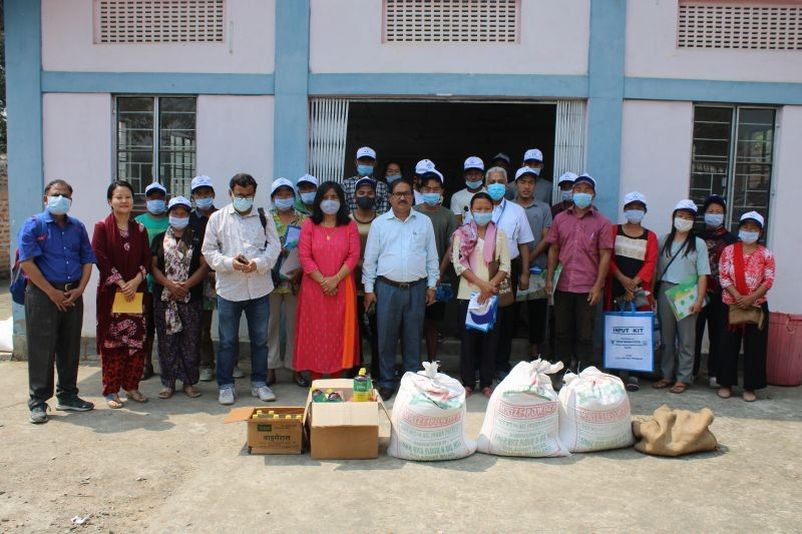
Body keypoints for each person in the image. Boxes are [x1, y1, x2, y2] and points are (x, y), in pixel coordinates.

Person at [18, 179, 96, 423]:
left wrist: (80, 289)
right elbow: (27, 263)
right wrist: (52, 292)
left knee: (70, 347)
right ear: (45, 198)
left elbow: (87, 259)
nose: (60, 198)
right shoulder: (34, 225)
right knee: (42, 348)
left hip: (72, 294)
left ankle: (68, 395)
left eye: (65, 195)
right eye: (56, 194)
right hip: (42, 296)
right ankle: (38, 401)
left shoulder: (77, 227)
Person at [201, 173, 281, 405]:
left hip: (259, 289)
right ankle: (225, 385)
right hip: (229, 289)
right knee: (227, 341)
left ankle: (259, 383)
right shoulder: (217, 218)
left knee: (259, 340)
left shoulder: (264, 216)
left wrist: (258, 264)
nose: (244, 199)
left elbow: (274, 247)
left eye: (248, 195)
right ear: (230, 194)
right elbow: (208, 251)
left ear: (254, 194)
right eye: (239, 195)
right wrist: (229, 263)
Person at [363, 178, 439, 400]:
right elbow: (370, 260)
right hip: (387, 288)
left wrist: (432, 286)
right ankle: (386, 382)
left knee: (413, 337)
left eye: (406, 193)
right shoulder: (379, 224)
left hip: (416, 288)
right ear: (390, 198)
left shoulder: (424, 222)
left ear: (413, 197)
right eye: (397, 194)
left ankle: (411, 384)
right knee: (386, 338)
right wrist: (369, 289)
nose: (403, 197)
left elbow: (432, 257)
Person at [92, 180, 152, 408]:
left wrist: (136, 281)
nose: (124, 201)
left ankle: (132, 386)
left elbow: (147, 258)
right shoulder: (101, 227)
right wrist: (120, 282)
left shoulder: (140, 229)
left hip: (136, 295)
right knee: (112, 345)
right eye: (118, 197)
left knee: (136, 344)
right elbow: (99, 256)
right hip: (112, 296)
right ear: (110, 201)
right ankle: (111, 390)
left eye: (127, 197)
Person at [545, 173, 613, 374]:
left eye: (587, 190)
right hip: (562, 284)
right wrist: (549, 278)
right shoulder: (560, 218)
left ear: (593, 194)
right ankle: (561, 371)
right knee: (561, 331)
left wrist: (598, 285)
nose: (582, 193)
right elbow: (554, 249)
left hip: (587, 286)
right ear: (572, 192)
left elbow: (605, 255)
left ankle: (585, 374)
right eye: (578, 189)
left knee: (585, 334)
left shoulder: (602, 222)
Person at [294, 182, 361, 379]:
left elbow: (353, 255)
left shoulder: (349, 225)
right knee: (314, 332)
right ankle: (315, 380)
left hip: (343, 287)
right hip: (314, 289)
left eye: (334, 197)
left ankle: (337, 379)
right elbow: (304, 256)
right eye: (325, 197)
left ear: (341, 201)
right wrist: (324, 281)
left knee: (338, 332)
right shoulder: (309, 225)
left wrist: (335, 280)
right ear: (318, 201)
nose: (329, 202)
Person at [452, 192, 510, 397]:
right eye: (478, 209)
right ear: (471, 210)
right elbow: (458, 264)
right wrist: (481, 285)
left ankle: (486, 382)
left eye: (487, 209)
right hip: (468, 295)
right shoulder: (461, 234)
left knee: (490, 340)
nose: (483, 212)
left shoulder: (500, 234)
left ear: (492, 210)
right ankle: (467, 383)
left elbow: (505, 266)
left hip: (491, 296)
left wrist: (490, 286)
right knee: (468, 342)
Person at [150, 196, 209, 399]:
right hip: (165, 299)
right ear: (169, 215)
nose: (179, 216)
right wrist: (169, 284)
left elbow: (204, 265)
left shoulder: (196, 237)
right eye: (175, 213)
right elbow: (153, 267)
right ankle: (168, 383)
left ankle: (189, 382)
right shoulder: (159, 239)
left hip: (190, 298)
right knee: (167, 342)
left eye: (184, 213)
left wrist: (186, 285)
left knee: (191, 341)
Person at [652, 199, 710, 394]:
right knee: (667, 337)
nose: (683, 220)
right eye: (680, 215)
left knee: (686, 338)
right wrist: (652, 293)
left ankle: (683, 377)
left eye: (688, 217)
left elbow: (703, 274)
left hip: (688, 291)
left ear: (694, 221)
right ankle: (666, 375)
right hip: (666, 290)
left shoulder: (699, 244)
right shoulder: (663, 240)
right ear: (674, 217)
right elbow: (655, 270)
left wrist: (699, 299)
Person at [717, 211, 775, 402]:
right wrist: (737, 296)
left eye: (753, 228)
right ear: (739, 229)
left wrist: (750, 298)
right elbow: (723, 276)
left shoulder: (766, 254)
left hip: (756, 306)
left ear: (760, 231)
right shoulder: (729, 251)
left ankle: (751, 387)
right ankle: (726, 383)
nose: (749, 231)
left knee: (755, 347)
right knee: (727, 345)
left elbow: (768, 280)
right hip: (730, 304)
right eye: (745, 227)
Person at [604, 191, 659, 391]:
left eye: (639, 207)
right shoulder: (613, 230)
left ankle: (634, 372)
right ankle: (615, 371)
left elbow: (651, 262)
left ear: (644, 211)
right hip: (616, 286)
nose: (635, 211)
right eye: (631, 207)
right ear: (625, 210)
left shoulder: (650, 236)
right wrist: (621, 278)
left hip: (640, 290)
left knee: (637, 329)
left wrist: (634, 283)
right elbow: (607, 257)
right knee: (616, 328)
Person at [486, 166, 535, 378]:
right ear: (486, 185)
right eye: (492, 182)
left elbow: (524, 244)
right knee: (484, 315)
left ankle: (500, 364)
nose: (496, 185)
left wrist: (524, 273)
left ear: (507, 185)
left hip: (509, 269)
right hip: (483, 269)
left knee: (506, 318)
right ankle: (484, 362)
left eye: (500, 181)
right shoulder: (478, 208)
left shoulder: (517, 211)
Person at [267, 178, 309, 387]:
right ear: (273, 198)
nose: (284, 198)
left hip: (295, 280)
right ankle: (270, 367)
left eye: (287, 194)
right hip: (270, 281)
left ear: (294, 196)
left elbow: (309, 249)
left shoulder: (304, 220)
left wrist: (300, 270)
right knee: (270, 325)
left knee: (295, 326)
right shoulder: (265, 218)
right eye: (279, 194)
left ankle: (295, 368)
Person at [413, 167, 457, 362]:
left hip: (440, 277)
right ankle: (412, 365)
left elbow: (451, 246)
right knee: (412, 323)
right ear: (421, 191)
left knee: (433, 323)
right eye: (428, 189)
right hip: (414, 277)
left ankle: (432, 364)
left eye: (436, 189)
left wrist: (438, 274)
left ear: (442, 192)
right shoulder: (413, 212)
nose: (432, 192)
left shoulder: (447, 215)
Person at [695, 195, 737, 388]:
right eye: (710, 212)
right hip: (697, 291)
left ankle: (714, 373)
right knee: (693, 332)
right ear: (704, 214)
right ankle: (692, 371)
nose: (714, 215)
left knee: (718, 334)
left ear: (724, 215)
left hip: (722, 293)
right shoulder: (696, 237)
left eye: (718, 212)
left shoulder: (731, 240)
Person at [515, 167, 553, 359]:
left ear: (535, 186)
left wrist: (528, 258)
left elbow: (547, 238)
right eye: (523, 182)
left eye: (530, 182)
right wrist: (520, 260)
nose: (526, 186)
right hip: (513, 264)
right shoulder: (509, 207)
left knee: (537, 309)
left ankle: (535, 351)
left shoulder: (544, 208)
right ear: (516, 185)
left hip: (538, 265)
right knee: (512, 309)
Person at [135, 182, 170, 381]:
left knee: (166, 327)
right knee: (145, 327)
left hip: (166, 283)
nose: (156, 201)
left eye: (160, 197)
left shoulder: (172, 221)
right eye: (152, 197)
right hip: (142, 283)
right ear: (146, 200)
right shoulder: (138, 222)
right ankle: (146, 363)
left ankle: (168, 365)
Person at [189, 175, 222, 382]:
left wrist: (218, 271)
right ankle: (206, 364)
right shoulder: (188, 219)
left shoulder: (223, 216)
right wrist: (205, 272)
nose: (203, 197)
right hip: (200, 278)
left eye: (207, 193)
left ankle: (232, 362)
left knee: (229, 323)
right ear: (193, 196)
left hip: (224, 276)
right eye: (199, 193)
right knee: (202, 325)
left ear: (213, 194)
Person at [350, 177, 380, 379]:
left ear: (375, 196)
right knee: (354, 328)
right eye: (361, 193)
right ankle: (355, 366)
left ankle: (378, 368)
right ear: (354, 196)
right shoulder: (346, 220)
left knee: (378, 328)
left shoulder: (382, 220)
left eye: (369, 193)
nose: (365, 197)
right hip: (350, 281)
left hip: (376, 283)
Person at [342, 146, 389, 214]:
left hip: (375, 224)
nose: (366, 164)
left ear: (375, 163)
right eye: (362, 161)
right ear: (356, 162)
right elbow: (343, 210)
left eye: (369, 161)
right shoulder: (346, 184)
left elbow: (383, 213)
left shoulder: (382, 187)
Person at [451, 156, 486, 226]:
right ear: (464, 176)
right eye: (470, 174)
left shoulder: (490, 194)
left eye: (476, 173)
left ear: (482, 176)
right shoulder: (456, 196)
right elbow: (457, 224)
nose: (473, 177)